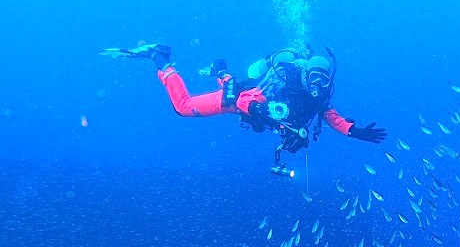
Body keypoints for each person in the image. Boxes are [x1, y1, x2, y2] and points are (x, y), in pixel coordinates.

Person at [101, 43, 386, 176]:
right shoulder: (285, 80)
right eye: (315, 78)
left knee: (232, 84)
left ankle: (221, 70)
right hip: (238, 102)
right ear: (306, 73)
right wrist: (259, 111)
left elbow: (333, 118)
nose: (317, 86)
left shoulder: (319, 97)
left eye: (323, 81)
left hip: (252, 105)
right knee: (183, 107)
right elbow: (244, 100)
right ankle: (160, 59)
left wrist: (355, 131)